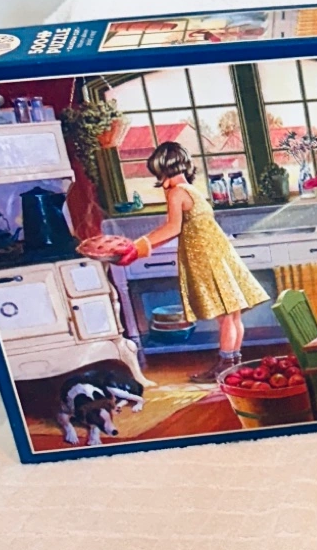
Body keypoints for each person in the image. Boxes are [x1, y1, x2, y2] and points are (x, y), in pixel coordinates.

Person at [115, 142, 270, 383]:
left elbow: (172, 228)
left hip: (207, 260)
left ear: (162, 170)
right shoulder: (191, 190)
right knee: (233, 316)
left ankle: (225, 367)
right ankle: (232, 365)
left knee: (226, 317)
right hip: (219, 256)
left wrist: (138, 245)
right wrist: (140, 248)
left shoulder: (176, 193)